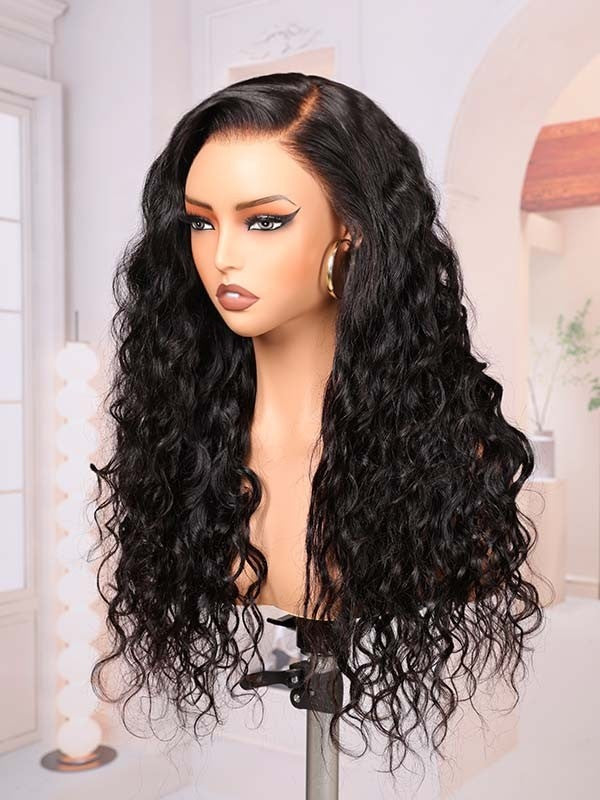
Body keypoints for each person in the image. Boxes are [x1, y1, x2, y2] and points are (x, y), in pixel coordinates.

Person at [89, 72, 548, 781]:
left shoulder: (445, 456)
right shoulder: (182, 447)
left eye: (264, 221)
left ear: (351, 224)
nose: (223, 255)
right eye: (201, 222)